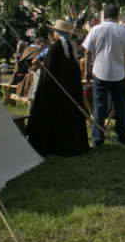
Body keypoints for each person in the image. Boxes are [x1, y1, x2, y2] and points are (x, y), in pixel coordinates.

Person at [26, 20, 90, 156]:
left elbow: (48, 70)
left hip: (56, 91)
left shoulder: (56, 48)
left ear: (56, 33)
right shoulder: (70, 49)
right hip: (68, 91)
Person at [83, 4, 125, 146]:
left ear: (105, 15)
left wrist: (87, 70)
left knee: (99, 107)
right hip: (118, 73)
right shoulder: (124, 31)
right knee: (120, 106)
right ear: (117, 15)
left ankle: (98, 139)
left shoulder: (96, 30)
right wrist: (124, 66)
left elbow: (87, 51)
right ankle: (122, 137)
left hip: (100, 72)